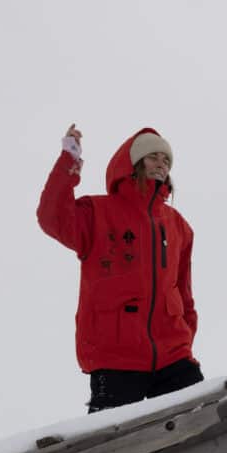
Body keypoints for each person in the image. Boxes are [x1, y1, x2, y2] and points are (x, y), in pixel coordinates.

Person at [37, 124, 203, 413]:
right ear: (133, 164)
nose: (161, 164)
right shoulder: (98, 213)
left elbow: (183, 291)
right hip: (115, 356)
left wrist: (184, 337)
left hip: (173, 354)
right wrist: (69, 160)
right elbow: (52, 217)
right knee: (112, 438)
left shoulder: (178, 226)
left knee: (202, 422)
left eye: (166, 160)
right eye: (153, 157)